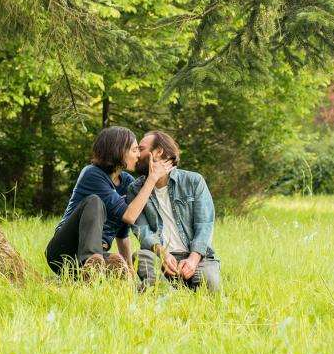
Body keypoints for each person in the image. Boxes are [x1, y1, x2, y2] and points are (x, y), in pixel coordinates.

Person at [45, 125, 174, 279]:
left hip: (98, 254)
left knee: (116, 262)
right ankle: (91, 262)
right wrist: (152, 178)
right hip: (63, 251)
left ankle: (94, 272)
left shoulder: (127, 182)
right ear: (119, 152)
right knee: (94, 202)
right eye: (134, 150)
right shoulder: (92, 174)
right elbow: (130, 216)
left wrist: (131, 273)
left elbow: (122, 234)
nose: (139, 155)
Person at [128, 130, 220, 293]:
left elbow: (205, 225)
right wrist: (163, 255)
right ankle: (170, 293)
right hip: (160, 258)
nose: (136, 155)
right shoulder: (135, 189)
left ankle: (163, 290)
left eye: (140, 149)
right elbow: (142, 231)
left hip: (196, 257)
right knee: (141, 257)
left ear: (158, 152)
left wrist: (192, 259)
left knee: (212, 287)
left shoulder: (193, 181)